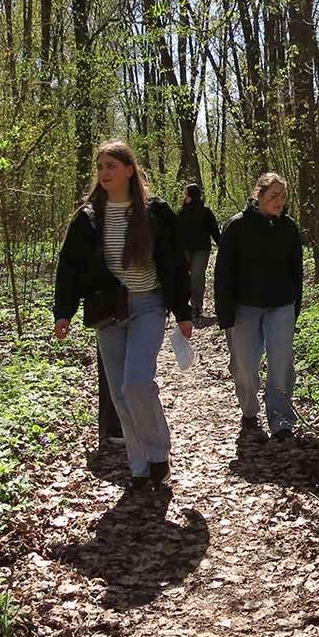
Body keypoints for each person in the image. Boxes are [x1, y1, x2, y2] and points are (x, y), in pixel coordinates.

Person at [54, 140, 192, 489]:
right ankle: (140, 466)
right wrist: (63, 312)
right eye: (100, 167)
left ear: (129, 170)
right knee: (118, 392)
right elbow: (69, 267)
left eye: (111, 166)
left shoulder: (155, 212)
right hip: (107, 310)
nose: (104, 173)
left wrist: (183, 311)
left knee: (136, 383)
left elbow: (176, 264)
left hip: (148, 305)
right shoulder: (88, 217)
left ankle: (158, 454)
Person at [213, 172, 303, 441]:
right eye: (273, 196)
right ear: (258, 196)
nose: (279, 201)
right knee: (245, 365)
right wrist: (225, 313)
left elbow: (296, 271)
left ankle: (281, 420)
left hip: (281, 306)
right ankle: (249, 410)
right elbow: (223, 273)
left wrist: (295, 306)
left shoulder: (288, 228)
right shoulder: (237, 227)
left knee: (281, 364)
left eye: (283, 196)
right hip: (245, 308)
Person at [177, 183, 221, 320]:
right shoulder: (182, 212)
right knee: (185, 278)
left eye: (187, 194)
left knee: (197, 277)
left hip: (201, 250)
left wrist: (222, 245)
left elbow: (214, 230)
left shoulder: (205, 212)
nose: (185, 197)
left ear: (191, 195)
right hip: (185, 250)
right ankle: (184, 307)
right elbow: (175, 232)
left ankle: (197, 308)